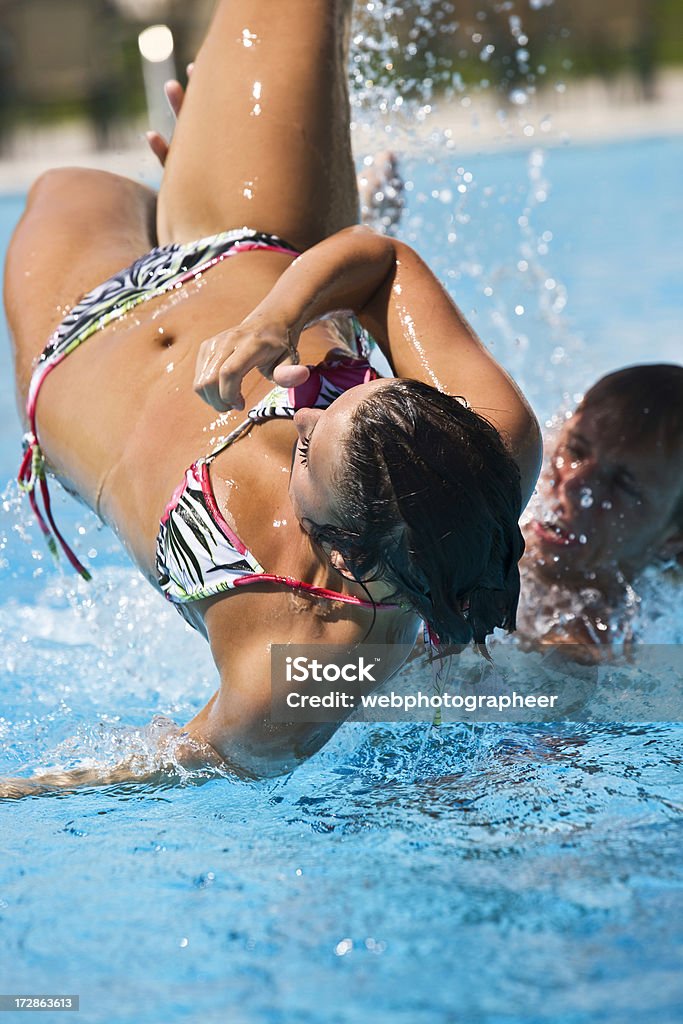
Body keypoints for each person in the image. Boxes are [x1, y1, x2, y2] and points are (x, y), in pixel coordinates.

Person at [1, 0, 540, 796]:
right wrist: (277, 319)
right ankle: (205, 176)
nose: (296, 397)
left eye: (304, 440)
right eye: (356, 388)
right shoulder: (492, 442)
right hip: (247, 244)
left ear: (340, 549)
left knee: (70, 183)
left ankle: (179, 178)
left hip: (77, 340)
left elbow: (180, 760)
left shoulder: (289, 671)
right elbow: (379, 261)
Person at [520, 364, 683, 645]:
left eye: (622, 484)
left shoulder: (581, 651)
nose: (572, 484)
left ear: (674, 539)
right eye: (576, 450)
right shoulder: (522, 459)